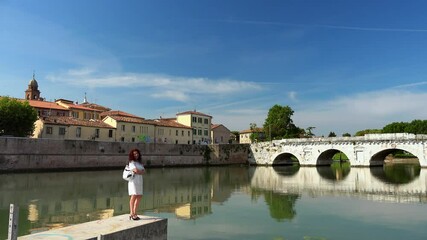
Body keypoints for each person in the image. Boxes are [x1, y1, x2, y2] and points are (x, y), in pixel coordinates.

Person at [127, 148, 145, 220]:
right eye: (134, 154)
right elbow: (136, 170)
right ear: (132, 155)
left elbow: (144, 171)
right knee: (134, 195)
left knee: (139, 196)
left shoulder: (139, 163)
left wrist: (139, 171)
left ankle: (135, 212)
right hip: (133, 181)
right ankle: (132, 213)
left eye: (137, 153)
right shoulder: (131, 162)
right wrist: (140, 171)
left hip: (140, 181)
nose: (136, 155)